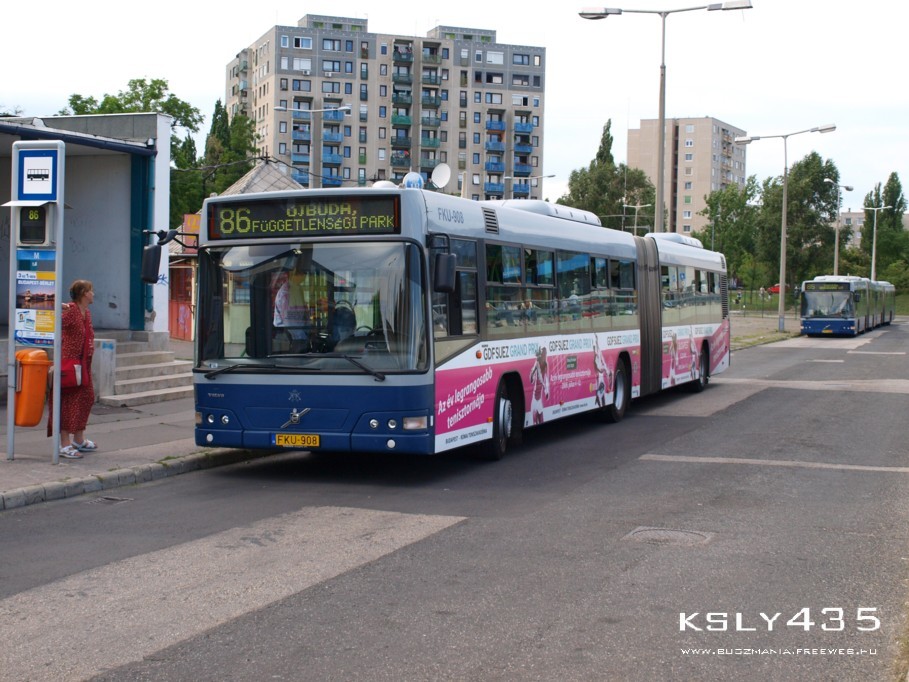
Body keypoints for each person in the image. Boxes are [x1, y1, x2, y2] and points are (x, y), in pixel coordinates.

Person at [48, 279, 97, 459]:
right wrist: (56, 307)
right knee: (68, 402)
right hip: (69, 364)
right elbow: (52, 324)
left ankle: (78, 439)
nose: (93, 294)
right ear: (84, 293)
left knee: (86, 398)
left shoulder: (86, 313)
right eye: (90, 290)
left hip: (84, 364)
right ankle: (64, 443)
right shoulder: (71, 311)